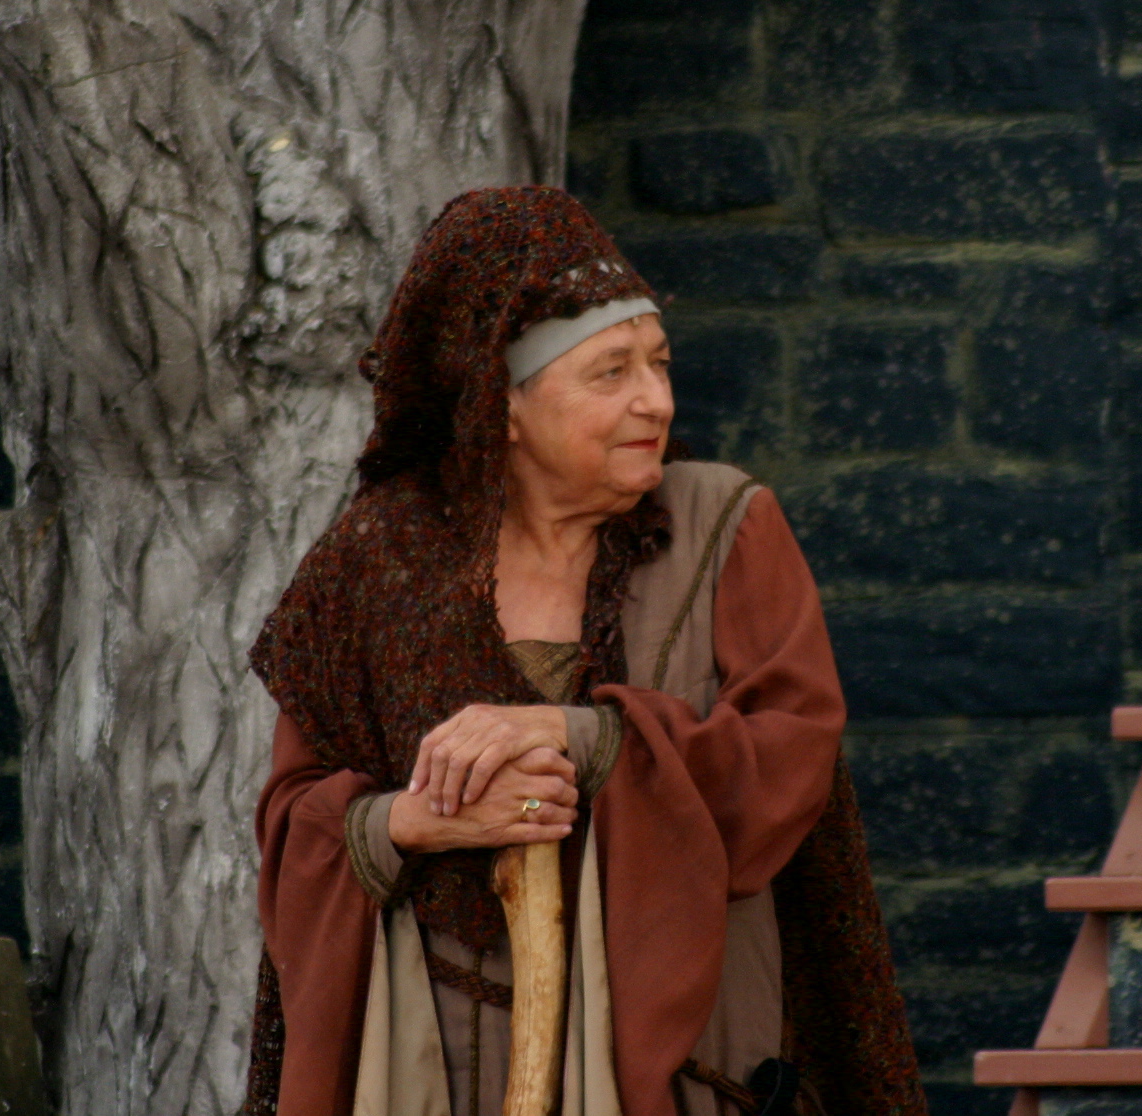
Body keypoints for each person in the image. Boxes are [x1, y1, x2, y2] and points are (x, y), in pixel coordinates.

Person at [240, 186, 925, 1116]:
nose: (657, 400)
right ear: (502, 404)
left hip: (687, 1072)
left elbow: (791, 755)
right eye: (611, 372)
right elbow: (295, 827)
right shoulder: (378, 564)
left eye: (660, 363)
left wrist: (590, 741)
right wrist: (416, 821)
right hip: (442, 1074)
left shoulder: (723, 525)